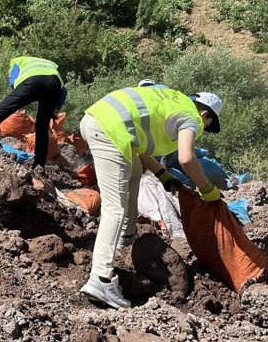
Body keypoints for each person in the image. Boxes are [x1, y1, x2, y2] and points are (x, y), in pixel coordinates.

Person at [79, 87, 223, 309]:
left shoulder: (172, 101)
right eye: (208, 124)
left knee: (134, 173)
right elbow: (186, 158)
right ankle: (101, 279)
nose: (203, 128)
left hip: (98, 122)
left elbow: (137, 145)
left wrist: (161, 174)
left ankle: (126, 237)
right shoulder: (191, 117)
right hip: (108, 131)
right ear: (205, 115)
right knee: (113, 208)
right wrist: (206, 189)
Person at [0, 56, 66, 167]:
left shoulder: (17, 61)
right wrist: (54, 112)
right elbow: (63, 92)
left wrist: (21, 98)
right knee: (42, 126)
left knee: (1, 112)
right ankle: (39, 164)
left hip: (31, 83)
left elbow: (13, 82)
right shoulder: (52, 65)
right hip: (53, 85)